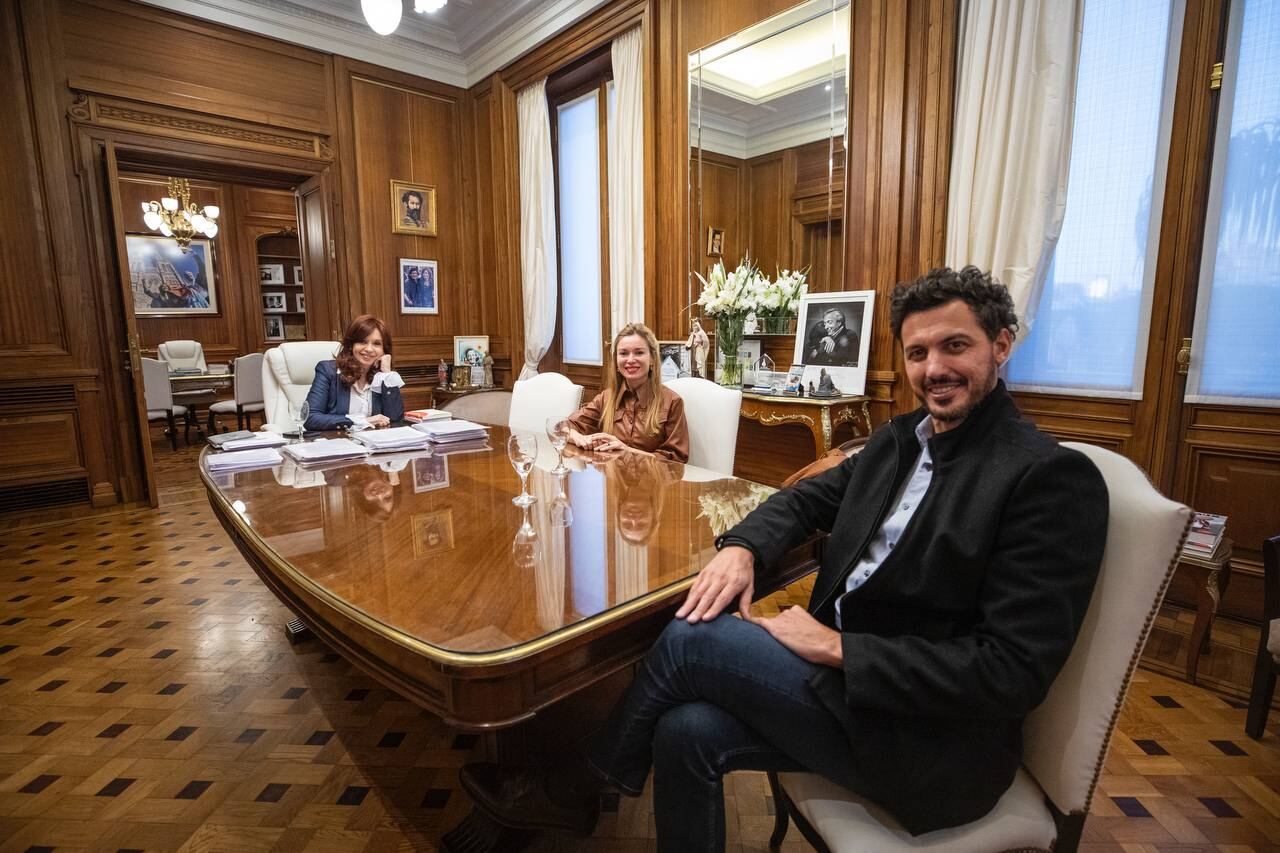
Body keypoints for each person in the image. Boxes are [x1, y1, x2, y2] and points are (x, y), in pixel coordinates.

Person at [460, 267, 1110, 850]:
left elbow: (1011, 671)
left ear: (1002, 344)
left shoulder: (1047, 478)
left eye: (955, 345)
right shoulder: (899, 442)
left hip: (930, 741)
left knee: (688, 638)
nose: (933, 366)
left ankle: (578, 785)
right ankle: (588, 785)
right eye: (918, 352)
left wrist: (838, 649)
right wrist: (742, 547)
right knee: (684, 730)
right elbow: (797, 501)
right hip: (852, 701)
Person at [565, 323, 690, 463]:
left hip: (654, 482)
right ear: (616, 361)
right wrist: (578, 437)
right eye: (624, 353)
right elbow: (563, 426)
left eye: (639, 352)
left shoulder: (672, 402)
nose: (630, 360)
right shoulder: (606, 398)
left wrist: (627, 451)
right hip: (612, 481)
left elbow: (676, 461)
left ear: (653, 359)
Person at [304, 314, 405, 431]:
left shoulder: (383, 377)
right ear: (351, 345)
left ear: (384, 350)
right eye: (362, 342)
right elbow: (309, 418)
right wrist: (361, 421)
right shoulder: (328, 371)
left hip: (373, 444)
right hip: (338, 444)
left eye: (377, 344)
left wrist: (387, 373)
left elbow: (396, 419)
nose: (369, 349)